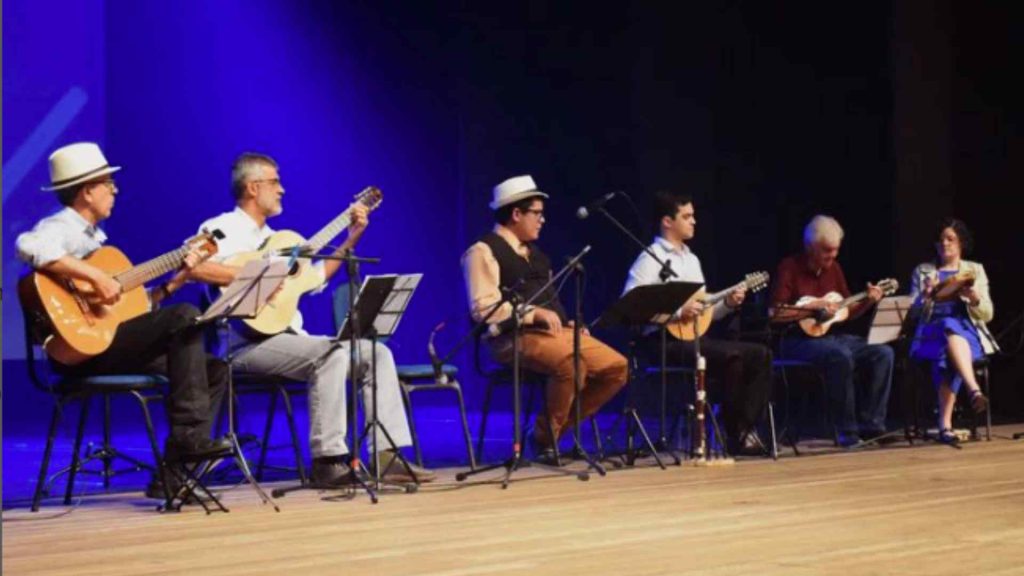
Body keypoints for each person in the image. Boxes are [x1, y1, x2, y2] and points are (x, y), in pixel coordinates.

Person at [189, 152, 434, 487]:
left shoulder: (284, 240)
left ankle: (386, 456)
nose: (282, 190)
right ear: (251, 187)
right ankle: (328, 459)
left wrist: (351, 237)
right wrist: (259, 274)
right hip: (242, 344)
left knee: (376, 353)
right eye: (275, 182)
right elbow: (195, 267)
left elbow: (316, 278)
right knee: (329, 353)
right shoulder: (218, 228)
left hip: (290, 338)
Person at [16, 142, 229, 464]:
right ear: (88, 191)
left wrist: (178, 280)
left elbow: (136, 312)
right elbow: (27, 245)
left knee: (214, 369)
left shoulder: (97, 243)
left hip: (108, 344)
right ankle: (188, 441)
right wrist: (96, 276)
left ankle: (175, 472)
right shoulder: (61, 227)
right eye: (108, 183)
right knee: (186, 315)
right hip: (82, 352)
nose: (115, 190)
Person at [462, 175, 628, 462]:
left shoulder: (537, 255)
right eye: (536, 213)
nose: (542, 220)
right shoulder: (483, 251)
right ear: (516, 214)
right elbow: (484, 308)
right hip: (509, 337)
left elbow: (550, 298)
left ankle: (544, 433)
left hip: (553, 334)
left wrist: (568, 322)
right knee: (572, 363)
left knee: (617, 368)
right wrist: (533, 313)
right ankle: (545, 438)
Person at [622, 191, 772, 456]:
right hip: (660, 342)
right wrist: (678, 311)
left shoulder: (692, 260)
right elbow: (632, 306)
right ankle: (734, 433)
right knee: (731, 357)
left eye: (693, 216)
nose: (694, 222)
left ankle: (746, 430)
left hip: (691, 338)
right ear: (667, 222)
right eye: (687, 216)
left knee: (760, 354)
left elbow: (703, 314)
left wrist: (728, 304)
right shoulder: (650, 258)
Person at [769, 215, 893, 447]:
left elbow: (844, 312)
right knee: (840, 355)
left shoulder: (834, 269)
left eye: (836, 250)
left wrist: (868, 301)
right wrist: (810, 308)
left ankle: (872, 425)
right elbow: (775, 314)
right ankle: (846, 431)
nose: (833, 256)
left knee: (882, 353)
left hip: (831, 337)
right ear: (810, 247)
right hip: (795, 340)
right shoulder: (790, 268)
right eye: (827, 250)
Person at [909, 218, 998, 444]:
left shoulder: (974, 270)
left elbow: (987, 314)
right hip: (931, 330)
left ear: (961, 243)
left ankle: (945, 426)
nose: (945, 244)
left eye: (950, 239)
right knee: (947, 332)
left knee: (950, 342)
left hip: (967, 331)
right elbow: (912, 315)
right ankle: (974, 390)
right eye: (940, 240)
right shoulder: (923, 271)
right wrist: (926, 296)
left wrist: (975, 299)